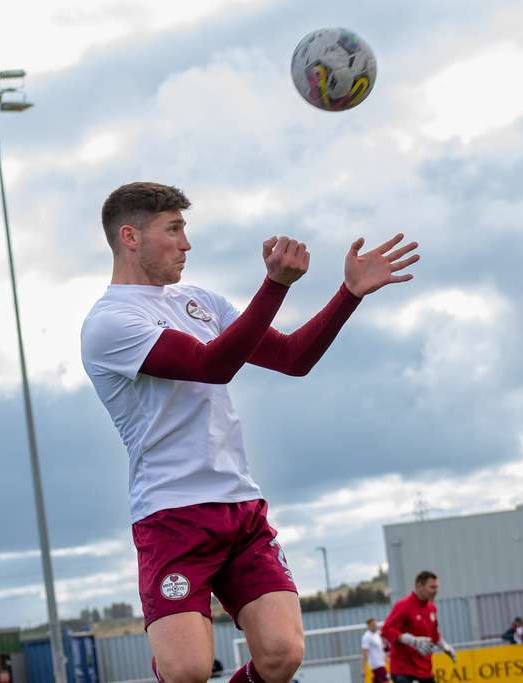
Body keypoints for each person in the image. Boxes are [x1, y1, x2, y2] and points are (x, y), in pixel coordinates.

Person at [80, 182, 420, 683]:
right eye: (173, 230)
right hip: (171, 514)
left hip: (241, 507)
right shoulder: (109, 322)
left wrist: (347, 294)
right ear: (130, 237)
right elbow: (210, 364)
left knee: (282, 654)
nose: (186, 243)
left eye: (185, 230)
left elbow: (291, 357)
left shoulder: (200, 301)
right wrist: (275, 286)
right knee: (188, 671)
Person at [380, 571, 456, 683]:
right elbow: (387, 630)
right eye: (432, 587)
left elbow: (433, 633)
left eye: (437, 587)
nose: (436, 591)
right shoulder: (404, 605)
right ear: (419, 586)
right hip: (404, 670)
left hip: (425, 669)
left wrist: (444, 646)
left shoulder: (432, 608)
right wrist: (410, 640)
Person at [361, 617, 389, 682]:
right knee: (387, 681)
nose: (375, 626)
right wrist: (363, 668)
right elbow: (364, 653)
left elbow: (381, 650)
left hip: (381, 663)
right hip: (376, 665)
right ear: (368, 626)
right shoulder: (366, 637)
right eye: (373, 625)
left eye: (375, 624)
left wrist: (386, 658)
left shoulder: (377, 635)